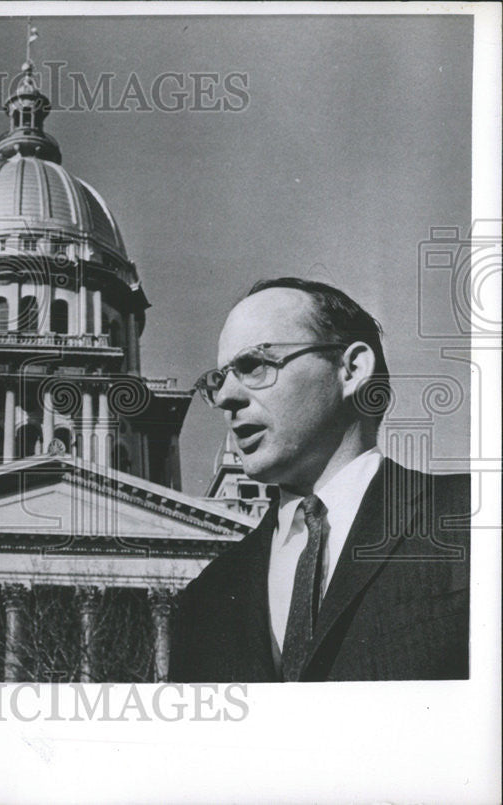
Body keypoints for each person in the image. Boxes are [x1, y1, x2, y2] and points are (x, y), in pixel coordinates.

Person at [171, 278, 469, 682]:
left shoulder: (474, 518)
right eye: (218, 379)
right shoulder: (204, 599)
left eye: (253, 365)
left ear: (351, 370)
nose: (226, 397)